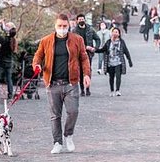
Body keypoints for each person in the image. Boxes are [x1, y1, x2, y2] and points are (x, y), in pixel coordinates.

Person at [33, 13, 91, 154]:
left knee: (73, 111)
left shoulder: (77, 40)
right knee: (55, 115)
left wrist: (87, 74)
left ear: (69, 26)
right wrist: (37, 65)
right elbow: (38, 56)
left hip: (71, 83)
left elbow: (84, 58)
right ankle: (57, 142)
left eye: (65, 26)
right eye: (59, 26)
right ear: (55, 26)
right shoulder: (46, 40)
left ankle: (68, 135)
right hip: (52, 84)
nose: (62, 28)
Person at [97, 25, 133, 96]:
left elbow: (126, 51)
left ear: (119, 34)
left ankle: (117, 90)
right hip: (110, 63)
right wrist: (94, 50)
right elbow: (103, 49)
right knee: (111, 77)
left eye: (116, 32)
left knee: (118, 76)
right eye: (113, 32)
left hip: (119, 62)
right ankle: (112, 90)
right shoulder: (108, 42)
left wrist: (129, 61)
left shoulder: (121, 42)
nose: (115, 33)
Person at [73, 14, 100, 96]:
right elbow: (73, 43)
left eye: (82, 19)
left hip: (88, 54)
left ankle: (88, 88)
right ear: (77, 21)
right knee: (80, 71)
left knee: (87, 71)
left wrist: (95, 48)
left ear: (85, 20)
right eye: (79, 19)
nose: (81, 20)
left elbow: (97, 39)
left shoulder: (90, 29)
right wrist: (86, 47)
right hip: (78, 54)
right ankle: (82, 90)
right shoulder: (74, 31)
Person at [0, 20, 18, 100]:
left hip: (1, 61)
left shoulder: (4, 40)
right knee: (9, 79)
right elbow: (5, 30)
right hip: (9, 62)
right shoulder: (13, 41)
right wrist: (3, 24)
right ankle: (10, 95)